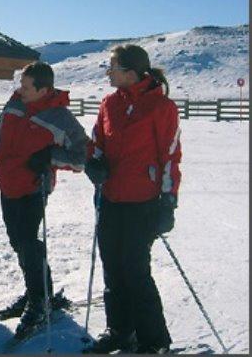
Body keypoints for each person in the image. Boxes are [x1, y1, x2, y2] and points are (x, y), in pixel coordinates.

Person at [0, 61, 88, 337]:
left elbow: (80, 158)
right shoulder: (13, 107)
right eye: (20, 84)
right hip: (7, 186)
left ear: (43, 89)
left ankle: (38, 302)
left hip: (34, 188)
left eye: (25, 86)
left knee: (28, 243)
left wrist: (50, 157)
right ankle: (40, 293)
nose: (19, 90)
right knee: (19, 243)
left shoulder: (60, 118)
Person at [83, 44, 182, 354]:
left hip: (144, 202)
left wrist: (168, 200)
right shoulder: (109, 103)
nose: (108, 72)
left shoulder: (161, 107)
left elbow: (170, 156)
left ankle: (154, 340)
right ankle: (120, 331)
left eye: (112, 67)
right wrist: (93, 163)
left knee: (135, 270)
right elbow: (97, 142)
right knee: (112, 267)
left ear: (130, 72)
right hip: (111, 198)